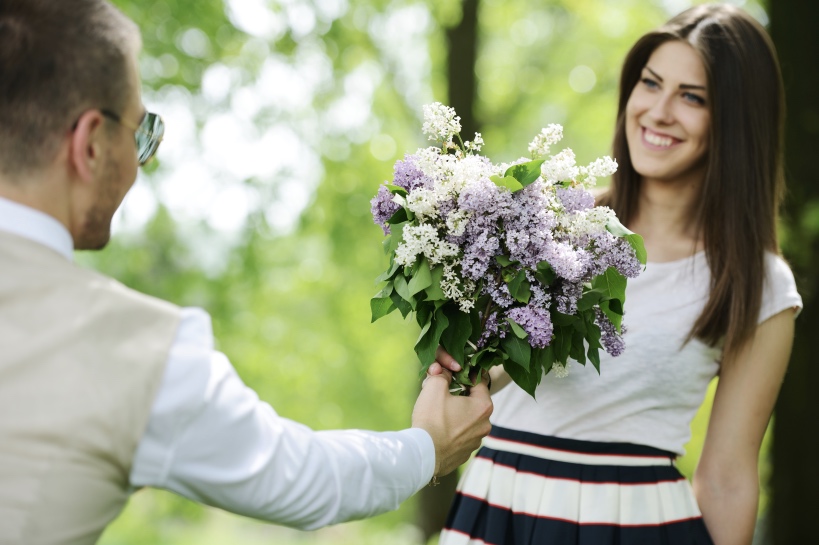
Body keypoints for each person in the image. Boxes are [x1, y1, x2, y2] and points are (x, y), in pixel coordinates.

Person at [0, 1, 493, 543]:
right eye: (143, 132)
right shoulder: (132, 348)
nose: (143, 162)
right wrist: (429, 445)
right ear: (91, 144)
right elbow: (300, 475)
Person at [439, 4, 802, 545]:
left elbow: (726, 478)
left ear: (737, 122)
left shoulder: (757, 283)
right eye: (650, 84)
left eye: (692, 96)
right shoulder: (549, 222)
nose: (658, 111)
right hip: (498, 512)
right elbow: (470, 385)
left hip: (638, 525)